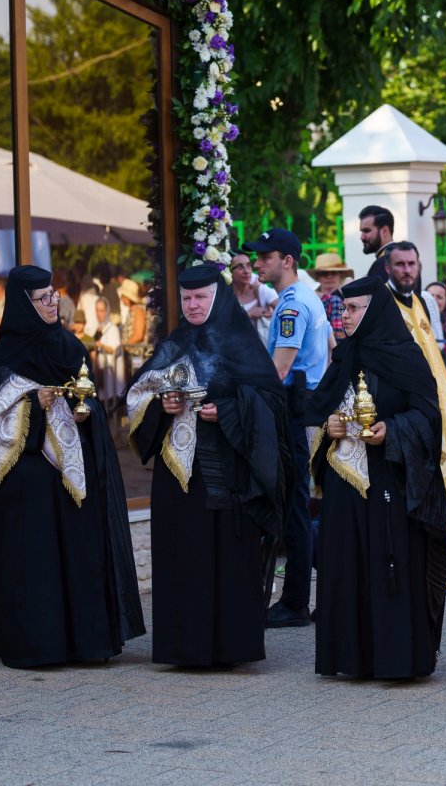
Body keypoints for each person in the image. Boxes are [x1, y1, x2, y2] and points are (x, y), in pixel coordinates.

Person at [0, 265, 145, 669]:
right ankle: (37, 646)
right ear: (23, 304)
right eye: (43, 298)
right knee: (33, 560)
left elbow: (88, 405)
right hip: (27, 479)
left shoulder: (70, 347)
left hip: (72, 477)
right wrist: (37, 404)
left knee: (79, 555)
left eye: (54, 295)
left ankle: (86, 643)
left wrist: (85, 417)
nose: (54, 304)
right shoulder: (2, 356)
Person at [127, 266, 292, 666]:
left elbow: (272, 403)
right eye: (186, 299)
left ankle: (230, 647)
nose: (193, 305)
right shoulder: (176, 342)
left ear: (217, 297)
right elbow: (139, 393)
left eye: (200, 297)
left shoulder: (242, 342)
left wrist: (231, 411)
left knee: (226, 558)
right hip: (178, 477)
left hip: (227, 474)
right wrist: (161, 406)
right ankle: (182, 647)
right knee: (182, 554)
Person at [306, 277, 446, 678]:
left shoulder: (406, 355)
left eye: (354, 309)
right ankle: (350, 658)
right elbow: (317, 409)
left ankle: (395, 659)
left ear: (375, 309)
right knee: (346, 563)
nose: (346, 316)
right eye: (343, 309)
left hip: (391, 479)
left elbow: (428, 415)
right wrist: (329, 426)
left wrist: (395, 430)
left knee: (389, 564)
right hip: (344, 483)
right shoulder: (345, 356)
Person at [248, 228, 330, 628]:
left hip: (295, 410)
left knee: (296, 505)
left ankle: (296, 599)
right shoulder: (306, 298)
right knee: (297, 501)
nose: (258, 262)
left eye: (266, 256)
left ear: (288, 260)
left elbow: (279, 368)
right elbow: (329, 350)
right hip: (305, 406)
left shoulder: (292, 305)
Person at [387, 243, 446, 555]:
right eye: (399, 264)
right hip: (404, 403)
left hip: (435, 397)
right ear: (388, 268)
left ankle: (442, 533)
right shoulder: (382, 302)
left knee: (440, 464)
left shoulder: (421, 300)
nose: (406, 270)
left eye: (411, 263)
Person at [228, 251, 278, 345]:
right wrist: (249, 314)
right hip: (234, 350)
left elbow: (285, 307)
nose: (246, 271)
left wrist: (272, 315)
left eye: (248, 265)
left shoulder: (260, 289)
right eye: (240, 267)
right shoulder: (225, 295)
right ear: (229, 272)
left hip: (261, 351)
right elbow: (222, 327)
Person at [310, 253, 353, 342]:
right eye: (324, 273)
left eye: (333, 273)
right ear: (318, 277)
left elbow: (340, 335)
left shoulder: (346, 298)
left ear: (340, 275)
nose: (329, 276)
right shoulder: (313, 298)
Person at [359, 205, 396, 283]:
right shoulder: (409, 260)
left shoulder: (382, 263)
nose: (362, 237)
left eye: (366, 231)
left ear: (385, 231)